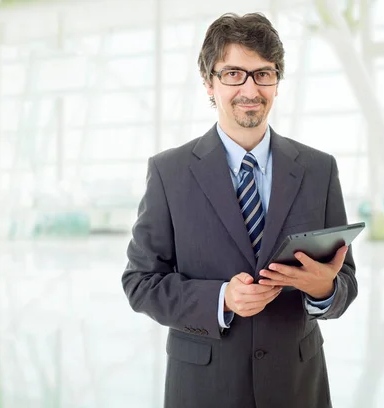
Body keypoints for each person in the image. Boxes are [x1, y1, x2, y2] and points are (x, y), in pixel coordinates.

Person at [122, 12, 358, 408]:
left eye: (263, 73)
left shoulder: (319, 169)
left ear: (277, 82)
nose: (250, 88)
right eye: (233, 74)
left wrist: (324, 289)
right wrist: (221, 300)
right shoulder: (170, 172)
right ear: (209, 83)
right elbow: (140, 282)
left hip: (296, 386)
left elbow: (345, 280)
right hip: (203, 388)